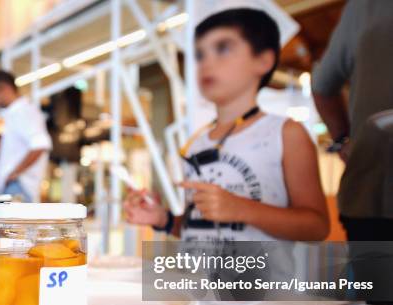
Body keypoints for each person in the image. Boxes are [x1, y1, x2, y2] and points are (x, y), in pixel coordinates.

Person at [123, 8, 329, 242]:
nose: (207, 62)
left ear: (263, 60)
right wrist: (163, 219)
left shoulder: (285, 133)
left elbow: (317, 227)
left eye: (223, 48)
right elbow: (199, 226)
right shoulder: (195, 144)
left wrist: (242, 209)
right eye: (200, 55)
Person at [312, 0, 393, 241]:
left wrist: (343, 139)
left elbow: (322, 87)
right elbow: (322, 87)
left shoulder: (366, 9)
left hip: (373, 195)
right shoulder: (364, 7)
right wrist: (343, 140)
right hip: (374, 194)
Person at [0, 70, 52, 202]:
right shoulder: (15, 113)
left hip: (18, 187)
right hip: (14, 186)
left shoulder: (23, 111)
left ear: (6, 88)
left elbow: (40, 144)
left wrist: (14, 174)